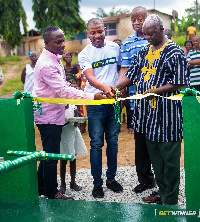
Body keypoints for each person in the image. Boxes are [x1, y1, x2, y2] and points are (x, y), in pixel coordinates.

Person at [115, 14, 190, 205]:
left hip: (168, 117)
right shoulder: (144, 52)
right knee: (155, 159)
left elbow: (180, 82)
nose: (147, 37)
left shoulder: (174, 51)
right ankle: (162, 192)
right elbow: (131, 74)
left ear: (161, 30)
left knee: (170, 160)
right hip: (147, 117)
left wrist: (156, 91)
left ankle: (170, 199)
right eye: (144, 34)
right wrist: (114, 89)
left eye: (150, 34)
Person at [32, 26, 106, 200]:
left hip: (54, 113)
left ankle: (41, 185)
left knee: (48, 151)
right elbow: (63, 92)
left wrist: (69, 88)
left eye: (63, 40)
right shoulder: (46, 65)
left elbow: (60, 87)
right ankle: (51, 191)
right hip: (48, 116)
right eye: (58, 42)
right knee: (51, 155)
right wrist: (91, 96)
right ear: (47, 43)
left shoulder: (54, 58)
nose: (63, 45)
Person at [78, 18, 123, 198]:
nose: (97, 36)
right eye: (93, 33)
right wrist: (106, 89)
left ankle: (111, 179)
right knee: (96, 143)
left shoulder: (115, 48)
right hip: (96, 103)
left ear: (105, 30)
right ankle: (97, 183)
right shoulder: (84, 53)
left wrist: (117, 88)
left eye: (100, 31)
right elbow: (90, 77)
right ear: (87, 34)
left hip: (114, 102)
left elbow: (121, 70)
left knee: (113, 141)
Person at [117, 6, 155, 193]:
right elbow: (125, 69)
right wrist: (117, 88)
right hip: (137, 100)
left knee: (156, 141)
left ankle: (162, 179)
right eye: (134, 20)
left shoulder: (155, 39)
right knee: (140, 143)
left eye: (140, 19)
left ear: (147, 19)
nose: (136, 23)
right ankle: (145, 179)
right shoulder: (127, 43)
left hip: (157, 100)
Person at [59, 104, 88, 193]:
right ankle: (63, 184)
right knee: (63, 160)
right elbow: (57, 121)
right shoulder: (59, 107)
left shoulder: (72, 106)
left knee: (73, 159)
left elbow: (76, 121)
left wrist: (77, 120)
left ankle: (73, 182)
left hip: (72, 133)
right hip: (63, 134)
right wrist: (66, 122)